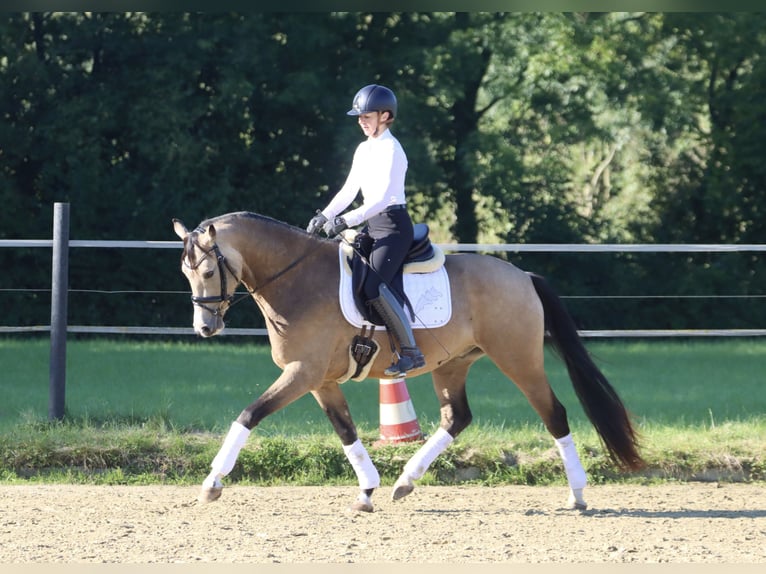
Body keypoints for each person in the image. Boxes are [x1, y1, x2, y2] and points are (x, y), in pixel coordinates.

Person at [306, 84, 425, 377]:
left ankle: (411, 352)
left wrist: (346, 220)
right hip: (372, 224)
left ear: (386, 116)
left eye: (367, 116)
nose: (361, 121)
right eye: (359, 117)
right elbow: (349, 189)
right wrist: (325, 215)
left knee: (374, 286)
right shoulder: (364, 148)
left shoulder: (392, 149)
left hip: (394, 228)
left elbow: (382, 199)